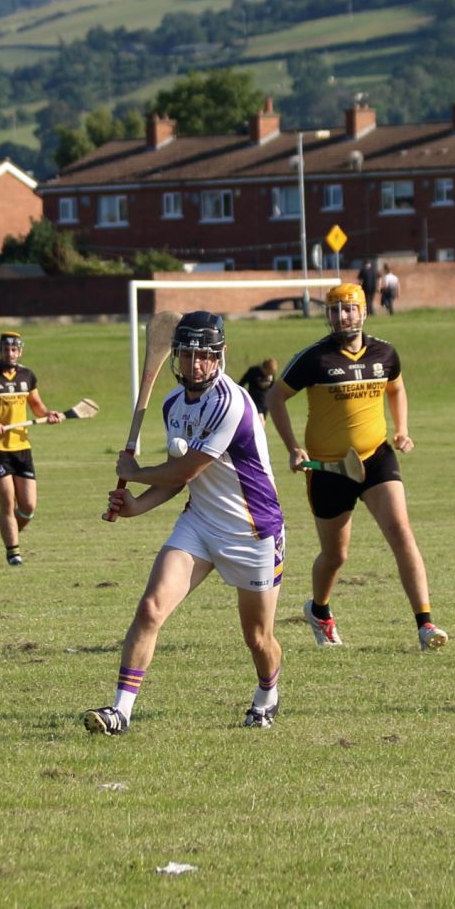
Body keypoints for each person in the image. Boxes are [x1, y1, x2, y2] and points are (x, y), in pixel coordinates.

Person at [84, 311, 285, 735]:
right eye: (187, 354)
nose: (195, 364)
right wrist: (137, 506)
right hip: (199, 524)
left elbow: (184, 471)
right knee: (151, 608)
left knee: (257, 639)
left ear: (220, 356)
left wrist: (134, 472)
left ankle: (268, 694)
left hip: (252, 531)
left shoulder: (232, 403)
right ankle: (121, 712)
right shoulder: (173, 405)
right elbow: (177, 480)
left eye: (205, 356)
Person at [266, 282, 447, 654]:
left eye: (349, 309)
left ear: (364, 311)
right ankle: (319, 610)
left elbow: (395, 388)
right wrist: (293, 448)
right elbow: (275, 397)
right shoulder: (313, 359)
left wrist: (402, 430)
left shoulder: (385, 353)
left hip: (375, 456)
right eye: (334, 310)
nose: (342, 316)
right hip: (329, 467)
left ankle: (425, 623)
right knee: (336, 556)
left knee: (401, 533)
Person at [0, 330, 63, 567]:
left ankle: (11, 532)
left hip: (22, 447)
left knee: (28, 506)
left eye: (14, 349)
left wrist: (49, 414)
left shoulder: (27, 376)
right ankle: (13, 552)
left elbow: (37, 406)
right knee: (8, 501)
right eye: (6, 349)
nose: (10, 353)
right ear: (0, 351)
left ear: (20, 351)